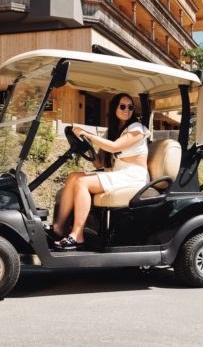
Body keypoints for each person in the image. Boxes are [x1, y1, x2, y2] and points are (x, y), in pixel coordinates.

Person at [50, 93, 150, 250]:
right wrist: (88, 146)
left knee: (82, 182)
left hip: (134, 175)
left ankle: (77, 235)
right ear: (114, 108)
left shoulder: (136, 128)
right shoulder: (112, 132)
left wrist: (87, 134)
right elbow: (99, 163)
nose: (127, 110)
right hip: (118, 173)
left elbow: (114, 147)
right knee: (73, 177)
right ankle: (58, 228)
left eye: (130, 107)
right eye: (122, 106)